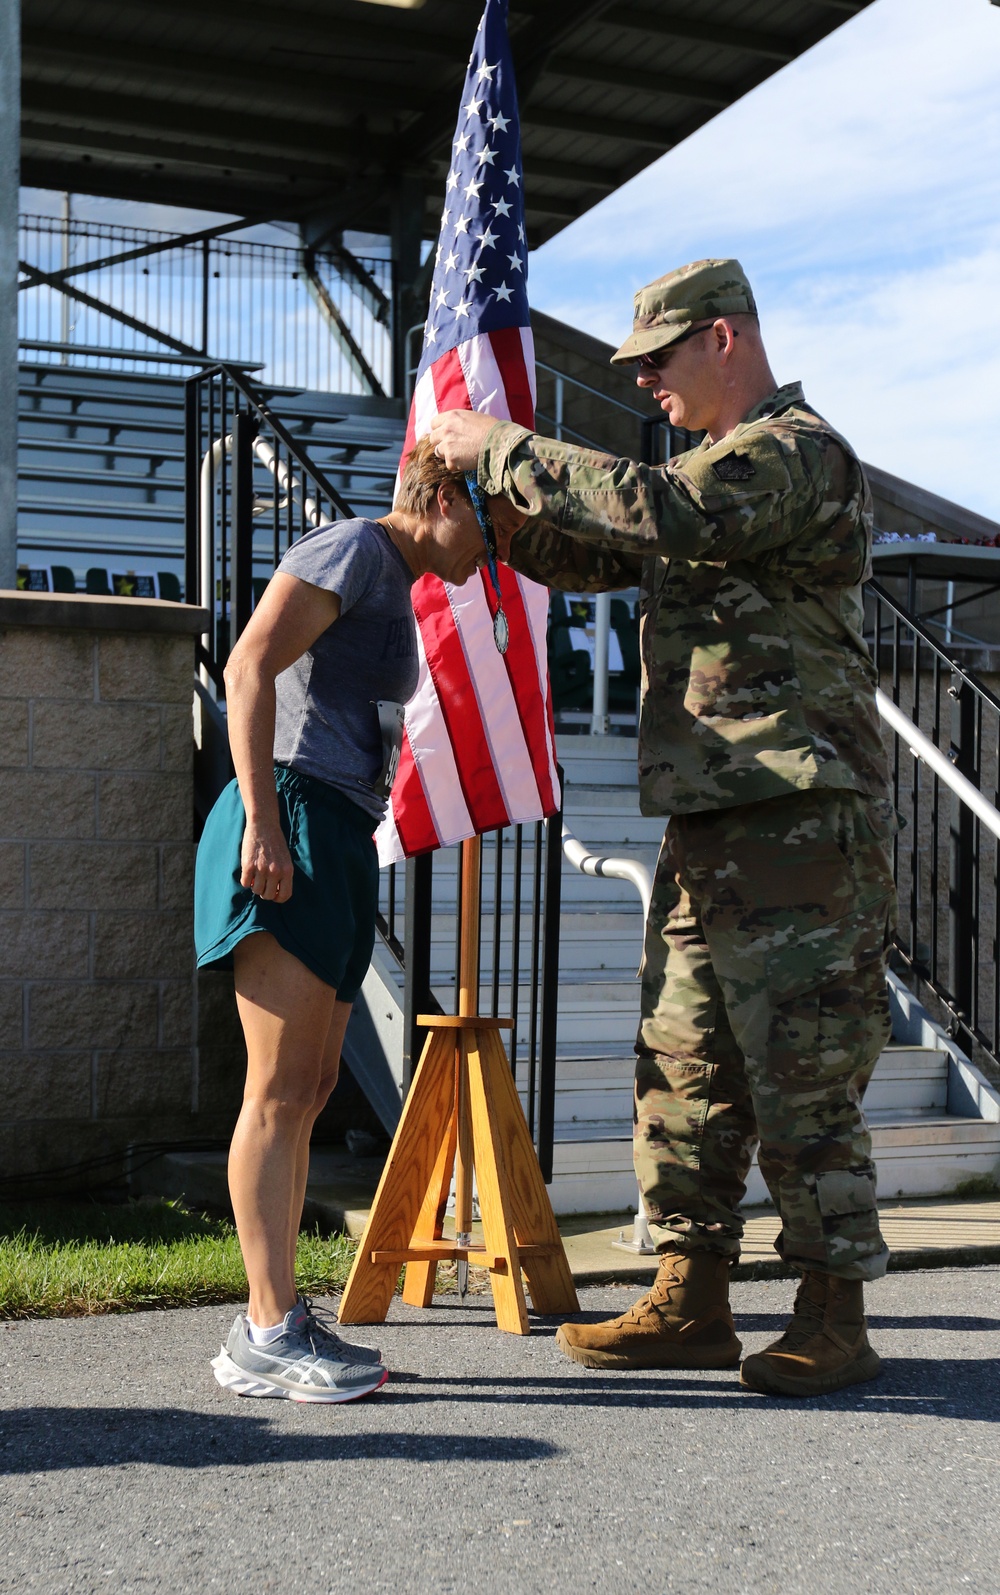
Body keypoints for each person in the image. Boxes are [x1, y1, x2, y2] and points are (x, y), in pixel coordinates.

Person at [428, 258, 897, 1398]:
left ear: (725, 339)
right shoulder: (704, 471)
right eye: (634, 366)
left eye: (658, 361)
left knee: (801, 1070)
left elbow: (663, 509)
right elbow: (596, 549)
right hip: (711, 817)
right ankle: (690, 1296)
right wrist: (481, 519)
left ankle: (834, 1310)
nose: (644, 384)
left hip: (794, 815)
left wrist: (495, 445)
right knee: (682, 1062)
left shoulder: (794, 453)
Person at [195, 438, 519, 1403]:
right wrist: (261, 819)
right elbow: (248, 665)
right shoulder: (350, 548)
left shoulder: (395, 580)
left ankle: (276, 1317)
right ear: (439, 496)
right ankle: (266, 1329)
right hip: (288, 812)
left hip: (336, 829)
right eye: (486, 526)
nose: (487, 551)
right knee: (280, 1090)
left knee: (312, 1083)